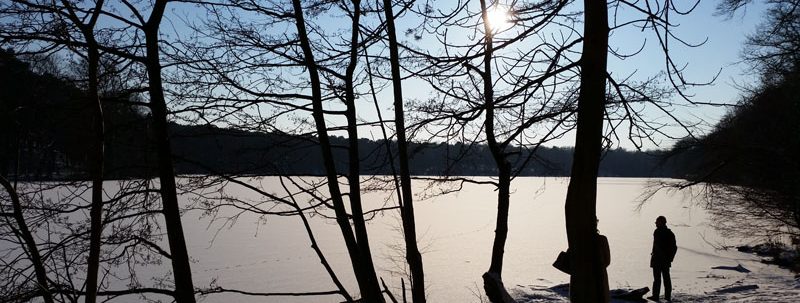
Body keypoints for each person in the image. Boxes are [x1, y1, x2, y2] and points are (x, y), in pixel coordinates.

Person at [648, 216, 677, 301]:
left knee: (659, 279)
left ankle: (656, 296)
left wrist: (669, 258)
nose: (655, 223)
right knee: (665, 278)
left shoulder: (658, 232)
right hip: (663, 260)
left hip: (659, 260)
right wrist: (670, 258)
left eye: (657, 222)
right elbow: (674, 247)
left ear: (661, 222)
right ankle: (666, 296)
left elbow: (673, 247)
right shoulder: (669, 233)